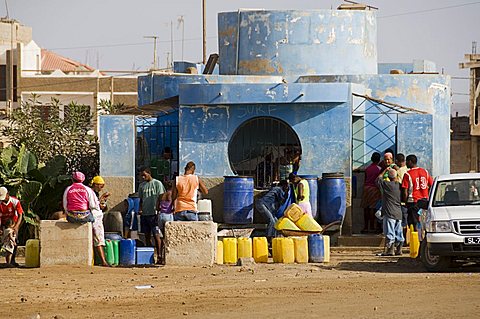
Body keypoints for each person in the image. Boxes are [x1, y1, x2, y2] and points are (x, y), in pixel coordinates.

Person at [63, 172, 109, 266]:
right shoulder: (87, 190)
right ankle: (103, 261)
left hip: (71, 217)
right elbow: (93, 205)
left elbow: (65, 205)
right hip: (85, 217)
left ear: (72, 180)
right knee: (95, 225)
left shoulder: (68, 189)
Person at [138, 167, 165, 263]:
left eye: (144, 174)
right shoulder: (142, 186)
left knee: (156, 235)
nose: (143, 176)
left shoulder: (157, 183)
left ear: (149, 173)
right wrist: (140, 209)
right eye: (142, 175)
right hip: (145, 214)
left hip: (154, 214)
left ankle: (160, 256)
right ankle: (149, 255)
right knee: (147, 235)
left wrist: (159, 208)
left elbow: (162, 196)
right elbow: (141, 199)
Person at [401, 154, 433, 231]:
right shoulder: (425, 172)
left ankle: (415, 240)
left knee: (413, 222)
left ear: (410, 161)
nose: (406, 164)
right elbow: (431, 185)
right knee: (424, 221)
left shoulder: (407, 174)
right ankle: (422, 238)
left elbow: (405, 191)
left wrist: (405, 202)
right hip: (425, 201)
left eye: (407, 162)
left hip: (413, 201)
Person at [376, 168, 404, 256]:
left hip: (389, 212)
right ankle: (399, 249)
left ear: (388, 177)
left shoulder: (386, 185)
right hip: (398, 212)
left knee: (389, 232)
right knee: (399, 231)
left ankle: (390, 250)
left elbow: (378, 179)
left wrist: (385, 170)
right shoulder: (399, 185)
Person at [0, 186, 23, 266]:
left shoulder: (15, 201)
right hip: (4, 224)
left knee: (14, 241)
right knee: (4, 242)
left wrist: (16, 226)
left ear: (7, 194)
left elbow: (20, 215)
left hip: (13, 223)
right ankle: (8, 261)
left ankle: (12, 261)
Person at [89, 175, 110, 265]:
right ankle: (103, 261)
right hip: (95, 218)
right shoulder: (90, 193)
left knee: (99, 239)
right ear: (96, 184)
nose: (101, 188)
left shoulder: (94, 193)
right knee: (99, 239)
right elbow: (93, 205)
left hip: (97, 217)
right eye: (101, 186)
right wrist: (101, 198)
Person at [360, 152, 382, 233]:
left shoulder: (367, 168)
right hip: (375, 189)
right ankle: (372, 227)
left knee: (365, 208)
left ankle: (365, 227)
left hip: (366, 188)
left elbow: (365, 179)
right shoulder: (379, 169)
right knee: (373, 208)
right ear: (379, 160)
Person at [156, 180, 174, 264]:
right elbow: (174, 206)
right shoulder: (172, 195)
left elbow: (157, 207)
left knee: (162, 237)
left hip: (161, 216)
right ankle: (167, 257)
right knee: (169, 237)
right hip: (168, 215)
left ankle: (160, 256)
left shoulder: (161, 196)